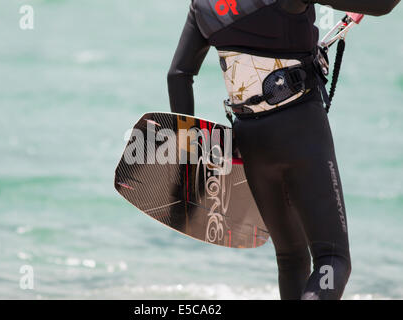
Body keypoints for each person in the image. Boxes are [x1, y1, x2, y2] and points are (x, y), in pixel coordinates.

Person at [167, 0, 399, 300]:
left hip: (252, 139)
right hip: (301, 128)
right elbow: (380, 6)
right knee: (333, 259)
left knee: (291, 258)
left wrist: (192, 154)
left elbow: (178, 75)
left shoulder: (202, 6)